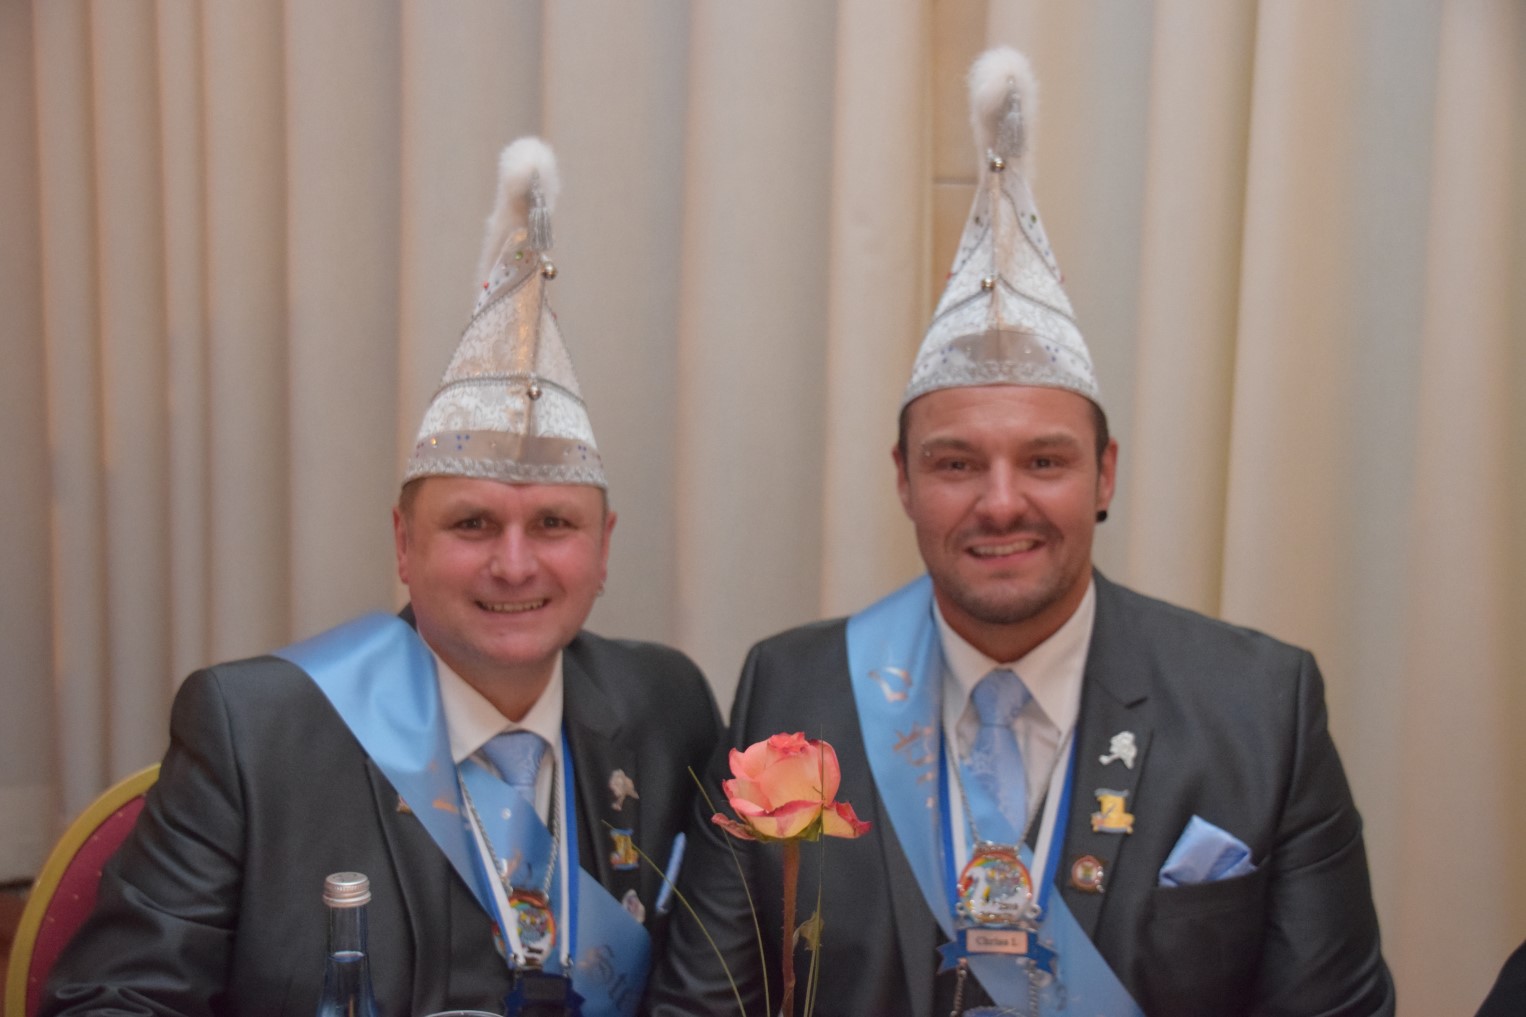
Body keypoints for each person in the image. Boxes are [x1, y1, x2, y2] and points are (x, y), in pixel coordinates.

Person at [648, 48, 1394, 1017]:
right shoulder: (792, 693)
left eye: (1043, 461)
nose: (1001, 504)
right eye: (956, 463)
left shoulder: (1259, 707)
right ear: (904, 481)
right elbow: (704, 1005)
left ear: (1104, 475)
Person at [42, 138, 720, 1017]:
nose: (515, 562)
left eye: (554, 524)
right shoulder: (253, 733)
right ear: (403, 544)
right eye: (471, 523)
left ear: (604, 547)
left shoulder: (668, 707)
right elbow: (110, 1000)